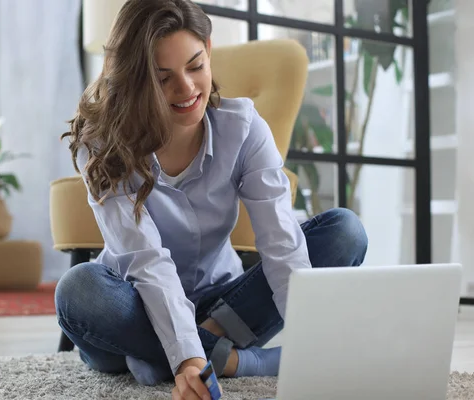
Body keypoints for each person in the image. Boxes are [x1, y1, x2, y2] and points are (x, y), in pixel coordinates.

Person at [56, 0, 368, 399]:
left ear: (208, 46)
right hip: (134, 307)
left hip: (227, 306)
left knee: (344, 231)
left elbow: (280, 242)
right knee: (78, 291)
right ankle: (232, 360)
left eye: (195, 65)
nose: (186, 88)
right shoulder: (101, 145)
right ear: (135, 78)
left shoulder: (243, 129)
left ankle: (166, 357)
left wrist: (310, 349)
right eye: (162, 77)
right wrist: (189, 358)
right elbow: (145, 260)